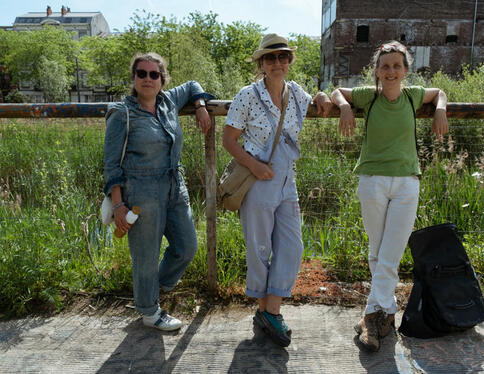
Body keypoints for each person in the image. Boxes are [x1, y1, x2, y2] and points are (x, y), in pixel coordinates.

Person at [330, 40, 449, 351]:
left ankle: (372, 316)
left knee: (391, 253)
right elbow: (337, 92)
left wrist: (440, 110)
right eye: (385, 66)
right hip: (372, 180)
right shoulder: (369, 97)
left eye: (397, 65)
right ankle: (385, 316)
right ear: (377, 71)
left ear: (406, 70)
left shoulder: (412, 96)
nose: (391, 71)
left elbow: (440, 93)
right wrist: (344, 107)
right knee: (378, 249)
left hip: (407, 183)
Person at [222, 33, 332, 347]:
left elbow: (319, 101)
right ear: (261, 63)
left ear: (289, 61)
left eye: (283, 56)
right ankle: (266, 313)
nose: (277, 62)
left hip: (287, 180)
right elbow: (228, 140)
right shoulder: (247, 95)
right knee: (258, 248)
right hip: (256, 178)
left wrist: (324, 96)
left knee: (292, 246)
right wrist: (255, 166)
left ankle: (271, 310)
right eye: (270, 58)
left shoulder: (296, 94)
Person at [103, 52, 214, 331]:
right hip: (141, 192)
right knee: (145, 255)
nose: (148, 79)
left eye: (155, 74)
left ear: (162, 79)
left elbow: (191, 86)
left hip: (175, 187)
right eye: (142, 73)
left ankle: (154, 288)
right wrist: (118, 206)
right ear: (134, 78)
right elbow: (111, 165)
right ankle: (149, 312)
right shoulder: (122, 114)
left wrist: (200, 105)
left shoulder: (167, 101)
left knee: (187, 246)